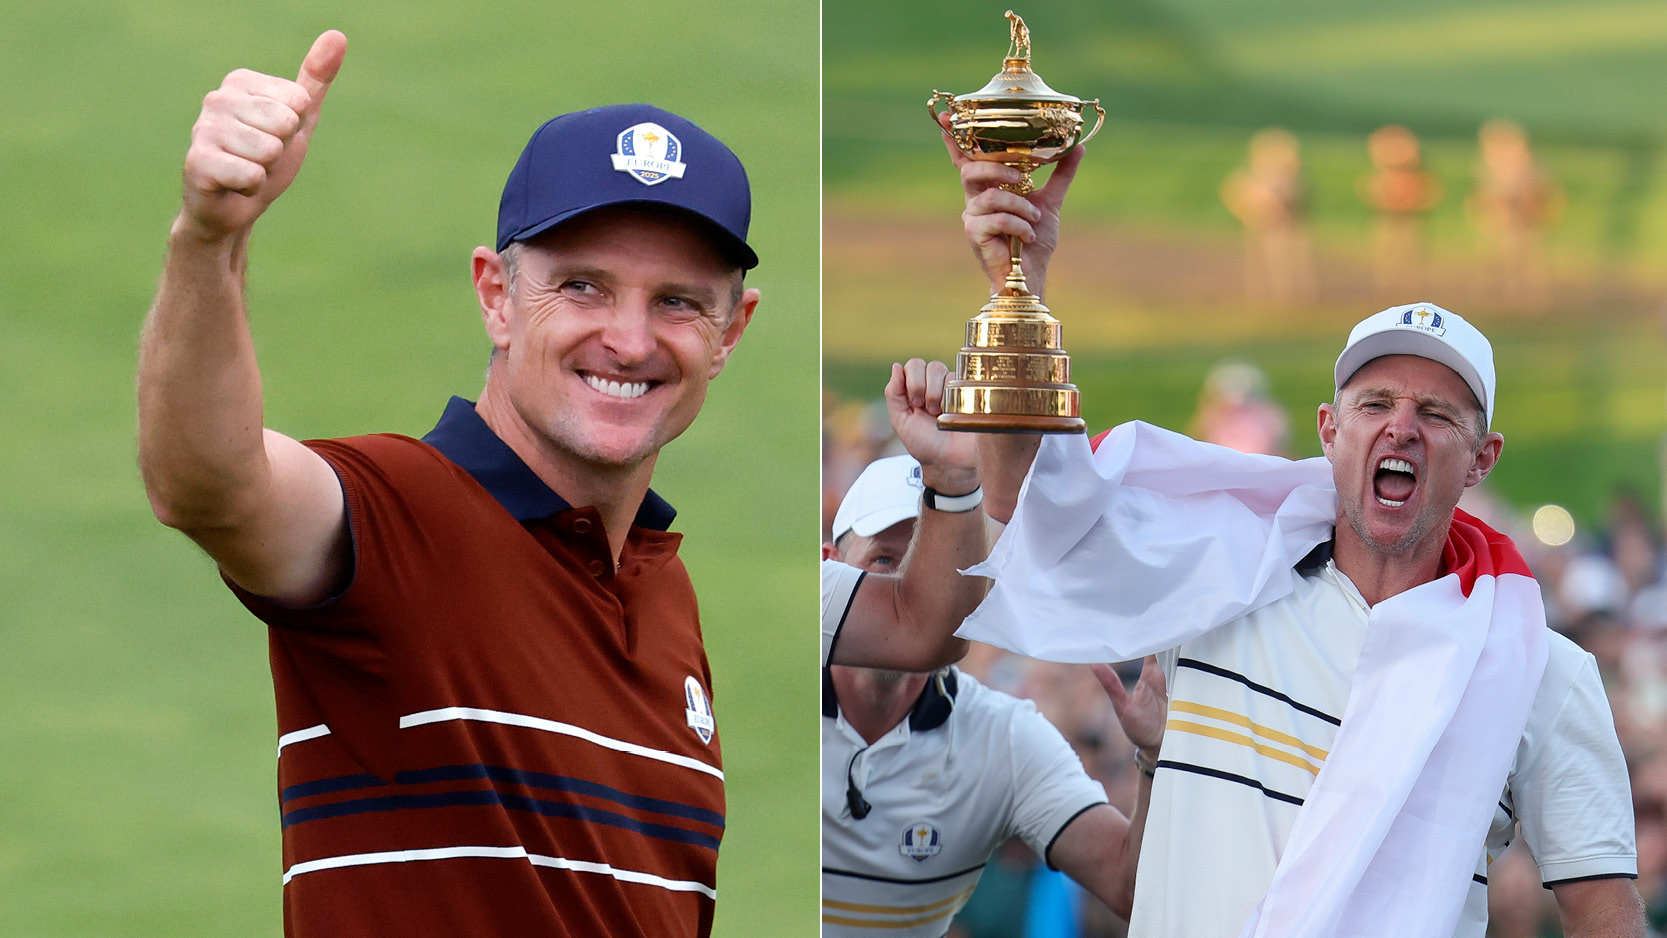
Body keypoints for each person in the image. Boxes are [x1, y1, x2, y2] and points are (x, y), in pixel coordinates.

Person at [940, 126, 1644, 938]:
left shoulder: (1540, 671)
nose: (1400, 428)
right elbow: (1025, 504)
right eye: (1373, 405)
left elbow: (1602, 909)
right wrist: (1017, 288)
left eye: (1435, 413)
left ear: (1481, 459)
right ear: (1327, 432)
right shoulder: (1214, 573)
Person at [138, 30, 766, 938]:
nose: (629, 341)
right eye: (582, 287)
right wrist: (209, 239)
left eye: (676, 300)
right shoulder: (399, 513)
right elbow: (208, 483)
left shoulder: (664, 597)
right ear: (496, 296)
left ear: (729, 332)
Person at [820, 453, 1167, 936]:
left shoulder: (1005, 739)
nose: (910, 593)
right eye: (884, 560)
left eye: (935, 572)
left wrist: (1153, 756)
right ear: (831, 569)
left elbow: (1129, 887)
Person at [820, 359, 993, 673]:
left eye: (935, 561)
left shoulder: (995, 711)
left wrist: (954, 478)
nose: (912, 581)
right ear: (832, 562)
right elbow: (922, 631)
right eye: (883, 559)